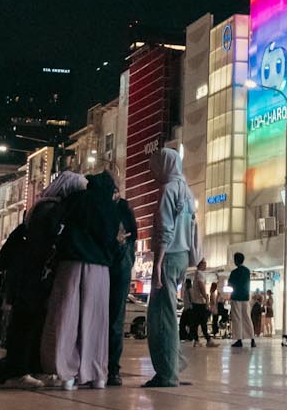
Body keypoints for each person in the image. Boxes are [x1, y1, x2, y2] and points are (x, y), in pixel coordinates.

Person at [0, 170, 83, 386]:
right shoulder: (51, 210)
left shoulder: (42, 207)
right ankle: (19, 371)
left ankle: (26, 368)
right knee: (28, 322)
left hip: (29, 274)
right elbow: (46, 243)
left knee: (31, 321)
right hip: (34, 276)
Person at [41, 170, 120, 388]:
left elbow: (55, 227)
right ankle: (97, 374)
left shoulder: (75, 200)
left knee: (67, 317)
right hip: (100, 268)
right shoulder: (110, 207)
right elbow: (113, 239)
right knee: (96, 321)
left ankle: (67, 373)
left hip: (72, 263)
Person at [146, 146, 200, 387]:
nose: (153, 171)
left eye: (156, 166)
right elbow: (192, 229)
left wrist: (157, 263)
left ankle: (167, 373)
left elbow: (165, 228)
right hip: (182, 257)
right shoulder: (186, 191)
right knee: (168, 315)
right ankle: (172, 368)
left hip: (168, 257)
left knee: (161, 317)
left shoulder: (168, 189)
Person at [99, 171, 140, 387]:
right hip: (107, 266)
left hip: (114, 266)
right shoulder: (102, 207)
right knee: (108, 318)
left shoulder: (121, 207)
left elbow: (133, 234)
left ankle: (111, 368)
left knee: (113, 318)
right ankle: (105, 367)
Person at [227, 252, 256, 347]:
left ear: (236, 261)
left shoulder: (234, 272)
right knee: (247, 317)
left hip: (236, 297)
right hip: (245, 297)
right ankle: (252, 339)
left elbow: (230, 284)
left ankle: (239, 340)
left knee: (237, 319)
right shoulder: (247, 271)